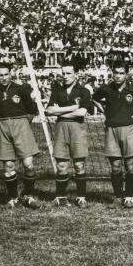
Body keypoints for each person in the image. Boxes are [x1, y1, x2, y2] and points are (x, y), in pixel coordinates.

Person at [92, 60, 133, 208]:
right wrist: (104, 111)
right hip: (111, 129)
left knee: (130, 165)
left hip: (129, 129)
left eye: (121, 73)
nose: (118, 76)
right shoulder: (106, 89)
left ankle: (129, 196)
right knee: (115, 166)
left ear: (127, 75)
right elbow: (94, 99)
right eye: (115, 73)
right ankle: (117, 197)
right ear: (112, 73)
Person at [0, 62, 41, 209]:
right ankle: (13, 198)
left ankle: (28, 195)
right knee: (9, 166)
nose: (4, 78)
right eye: (0, 75)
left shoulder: (22, 89)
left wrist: (22, 125)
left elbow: (31, 110)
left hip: (22, 126)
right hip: (3, 128)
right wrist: (6, 126)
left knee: (28, 164)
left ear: (11, 74)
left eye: (6, 74)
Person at [45, 61, 92, 208]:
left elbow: (82, 112)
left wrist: (60, 111)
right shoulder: (57, 90)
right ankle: (61, 197)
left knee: (79, 164)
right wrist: (73, 107)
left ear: (76, 74)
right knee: (61, 165)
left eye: (68, 73)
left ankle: (81, 197)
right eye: (63, 73)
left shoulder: (84, 91)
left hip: (77, 128)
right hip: (60, 128)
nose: (65, 76)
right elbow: (49, 110)